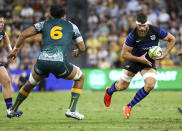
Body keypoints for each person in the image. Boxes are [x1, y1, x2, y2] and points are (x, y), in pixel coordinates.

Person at [7, 5, 86, 120]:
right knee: (80, 77)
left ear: (50, 15)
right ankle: (72, 110)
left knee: (30, 83)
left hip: (42, 61)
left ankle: (12, 110)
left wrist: (15, 50)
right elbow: (82, 48)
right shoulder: (72, 26)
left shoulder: (44, 24)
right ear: (64, 15)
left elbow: (23, 34)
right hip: (58, 62)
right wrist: (78, 52)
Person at [104, 13, 176, 119]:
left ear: (147, 24)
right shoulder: (132, 35)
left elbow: (172, 39)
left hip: (148, 62)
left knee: (150, 84)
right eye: (139, 26)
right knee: (122, 86)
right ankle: (109, 91)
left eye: (144, 26)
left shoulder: (155, 30)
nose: (142, 28)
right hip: (133, 61)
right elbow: (124, 54)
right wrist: (139, 59)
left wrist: (165, 54)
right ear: (136, 25)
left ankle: (129, 106)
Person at [0, 16, 22, 117]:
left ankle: (10, 110)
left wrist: (10, 51)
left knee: (7, 80)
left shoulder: (2, 32)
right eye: (0, 22)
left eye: (3, 22)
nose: (2, 24)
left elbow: (5, 37)